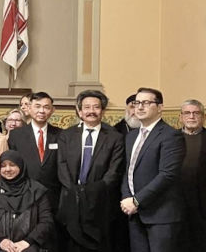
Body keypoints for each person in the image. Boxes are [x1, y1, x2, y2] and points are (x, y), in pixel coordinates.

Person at [57, 90, 126, 252]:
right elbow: (61, 164)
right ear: (79, 111)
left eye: (96, 107)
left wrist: (91, 191)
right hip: (71, 199)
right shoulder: (66, 135)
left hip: (100, 201)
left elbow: (114, 170)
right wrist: (75, 191)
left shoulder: (114, 137)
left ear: (102, 111)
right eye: (86, 107)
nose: (91, 111)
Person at [120, 88, 185, 252]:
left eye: (146, 103)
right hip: (134, 214)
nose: (140, 107)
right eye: (137, 103)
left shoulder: (171, 135)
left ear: (160, 107)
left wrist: (136, 200)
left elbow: (167, 175)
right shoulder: (131, 136)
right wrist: (127, 197)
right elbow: (128, 171)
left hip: (161, 215)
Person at [0, 151, 54, 252]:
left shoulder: (37, 190)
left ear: (21, 166)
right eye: (3, 166)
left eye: (12, 165)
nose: (7, 169)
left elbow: (46, 221)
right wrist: (1, 240)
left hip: (29, 245)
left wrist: (27, 241)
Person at [7, 92, 61, 212]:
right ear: (29, 108)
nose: (41, 111)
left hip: (53, 197)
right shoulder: (16, 135)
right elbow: (13, 165)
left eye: (46, 107)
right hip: (24, 195)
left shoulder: (61, 135)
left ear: (52, 110)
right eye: (37, 106)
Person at [178, 99, 206, 251]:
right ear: (180, 117)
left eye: (196, 113)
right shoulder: (171, 138)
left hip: (202, 201)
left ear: (203, 116)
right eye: (187, 113)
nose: (192, 116)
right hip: (176, 200)